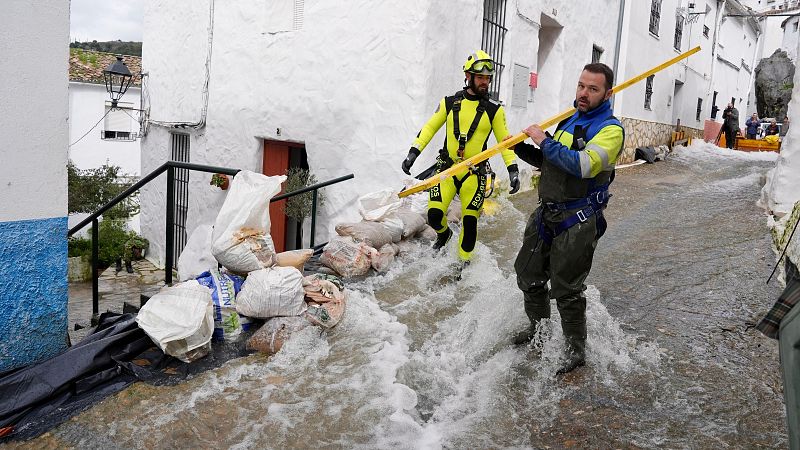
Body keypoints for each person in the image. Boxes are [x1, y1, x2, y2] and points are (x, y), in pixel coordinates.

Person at [511, 62, 624, 375]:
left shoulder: (611, 130)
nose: (583, 93)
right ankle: (539, 330)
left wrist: (544, 141)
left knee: (566, 288)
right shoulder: (568, 119)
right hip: (547, 212)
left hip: (578, 218)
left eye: (593, 88)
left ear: (607, 93)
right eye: (581, 85)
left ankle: (575, 350)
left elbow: (583, 165)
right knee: (528, 275)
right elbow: (553, 162)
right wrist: (522, 148)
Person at [400, 50, 519, 268]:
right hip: (446, 170)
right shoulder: (449, 102)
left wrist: (513, 169)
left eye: (488, 78)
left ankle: (462, 265)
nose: (485, 82)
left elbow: (505, 142)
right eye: (481, 77)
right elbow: (429, 129)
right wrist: (413, 153)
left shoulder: (494, 110)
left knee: (470, 221)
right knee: (434, 216)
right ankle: (444, 235)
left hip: (475, 174)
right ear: (468, 76)